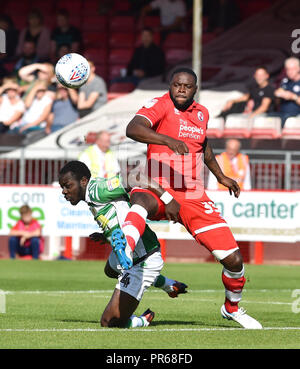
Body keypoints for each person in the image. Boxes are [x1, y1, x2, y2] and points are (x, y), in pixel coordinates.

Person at [113, 67, 262, 329]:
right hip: (157, 184)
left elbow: (203, 145)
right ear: (171, 86)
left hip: (192, 193)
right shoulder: (159, 105)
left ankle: (232, 309)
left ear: (195, 89)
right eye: (176, 85)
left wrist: (220, 175)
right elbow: (133, 128)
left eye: (187, 86)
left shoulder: (202, 113)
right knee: (141, 200)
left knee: (233, 260)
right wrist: (167, 140)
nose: (181, 89)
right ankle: (124, 249)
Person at [58, 160, 188, 328]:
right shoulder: (92, 198)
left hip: (143, 259)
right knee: (110, 269)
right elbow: (119, 212)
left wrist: (167, 199)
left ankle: (142, 320)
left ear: (83, 181)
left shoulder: (97, 190)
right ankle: (167, 284)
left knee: (109, 322)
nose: (64, 191)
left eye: (68, 186)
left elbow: (136, 177)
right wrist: (106, 236)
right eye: (63, 187)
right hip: (131, 255)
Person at [269, 57, 300, 127]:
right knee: (267, 118)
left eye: (292, 69)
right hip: (282, 113)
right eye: (288, 69)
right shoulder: (285, 81)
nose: (290, 72)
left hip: (296, 114)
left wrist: (293, 97)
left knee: (286, 119)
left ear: (298, 69)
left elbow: (293, 97)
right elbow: (277, 102)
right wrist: (278, 95)